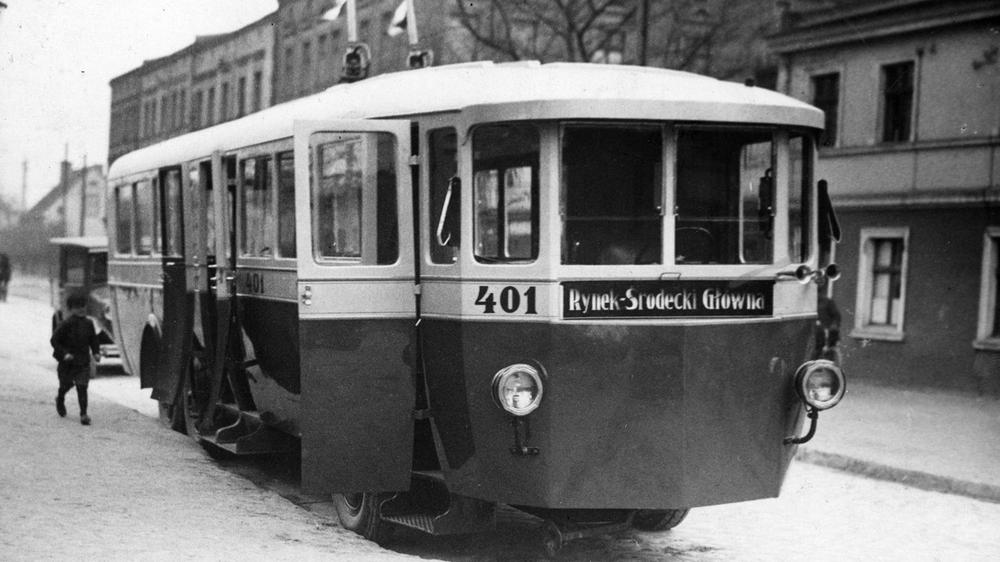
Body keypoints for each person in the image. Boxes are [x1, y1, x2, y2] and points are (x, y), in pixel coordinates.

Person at [50, 292, 100, 425]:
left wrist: (96, 352)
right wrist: (64, 353)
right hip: (68, 363)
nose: (81, 309)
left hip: (83, 361)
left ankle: (83, 414)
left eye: (83, 306)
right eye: (77, 306)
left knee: (82, 387)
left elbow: (93, 340)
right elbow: (54, 340)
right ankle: (60, 398)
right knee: (66, 385)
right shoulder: (66, 323)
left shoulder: (89, 323)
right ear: (71, 308)